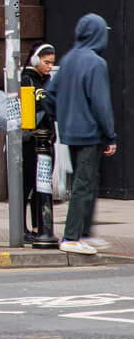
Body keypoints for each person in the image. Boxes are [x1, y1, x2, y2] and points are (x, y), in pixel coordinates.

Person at [44, 13, 117, 255]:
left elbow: (49, 94)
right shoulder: (96, 63)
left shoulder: (68, 59)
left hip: (70, 132)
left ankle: (84, 233)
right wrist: (110, 135)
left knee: (86, 182)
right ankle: (72, 236)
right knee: (84, 184)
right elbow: (101, 104)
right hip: (90, 132)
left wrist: (61, 118)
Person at [20, 43, 57, 243]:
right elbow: (33, 109)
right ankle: (21, 228)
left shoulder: (47, 80)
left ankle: (38, 227)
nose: (50, 66)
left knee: (41, 185)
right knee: (26, 186)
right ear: (35, 59)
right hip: (30, 143)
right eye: (46, 62)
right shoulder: (27, 80)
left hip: (46, 139)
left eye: (52, 62)